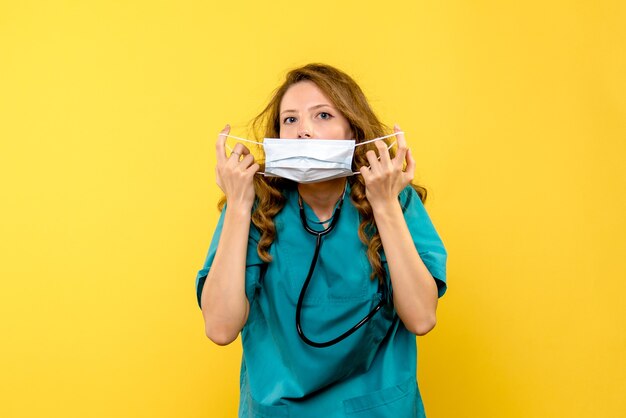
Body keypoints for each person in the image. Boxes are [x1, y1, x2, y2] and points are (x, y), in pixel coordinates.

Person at [195, 63, 448, 417]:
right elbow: (220, 328)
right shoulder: (254, 206)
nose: (304, 132)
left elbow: (421, 318)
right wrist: (238, 204)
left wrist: (384, 204)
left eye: (324, 115)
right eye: (291, 120)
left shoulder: (394, 199)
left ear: (353, 132)